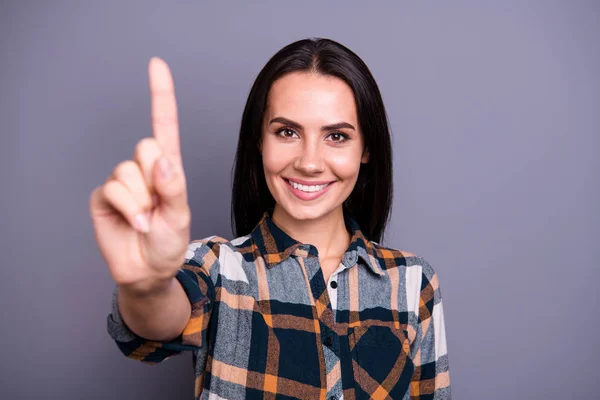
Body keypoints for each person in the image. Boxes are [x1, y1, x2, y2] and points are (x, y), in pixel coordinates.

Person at [90, 38, 451, 400]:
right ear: (259, 140)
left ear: (366, 148)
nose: (309, 163)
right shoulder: (218, 269)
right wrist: (148, 287)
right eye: (287, 132)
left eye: (337, 136)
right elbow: (155, 325)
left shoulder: (412, 283)